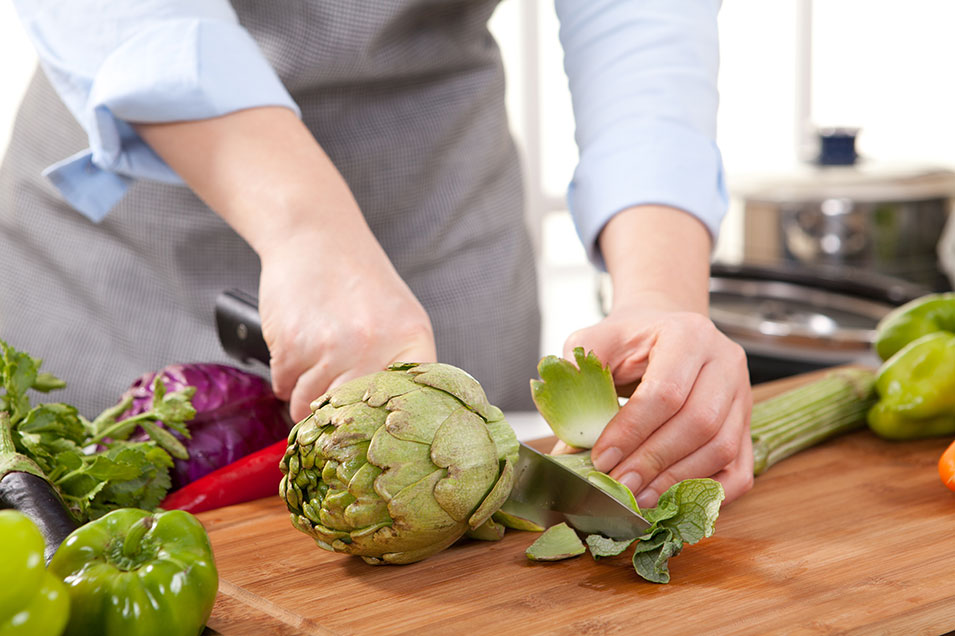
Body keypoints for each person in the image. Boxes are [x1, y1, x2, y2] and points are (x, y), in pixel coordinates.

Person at [2, 0, 753, 507]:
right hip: (123, 251)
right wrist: (306, 228)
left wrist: (661, 295)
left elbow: (640, 20)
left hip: (438, 229)